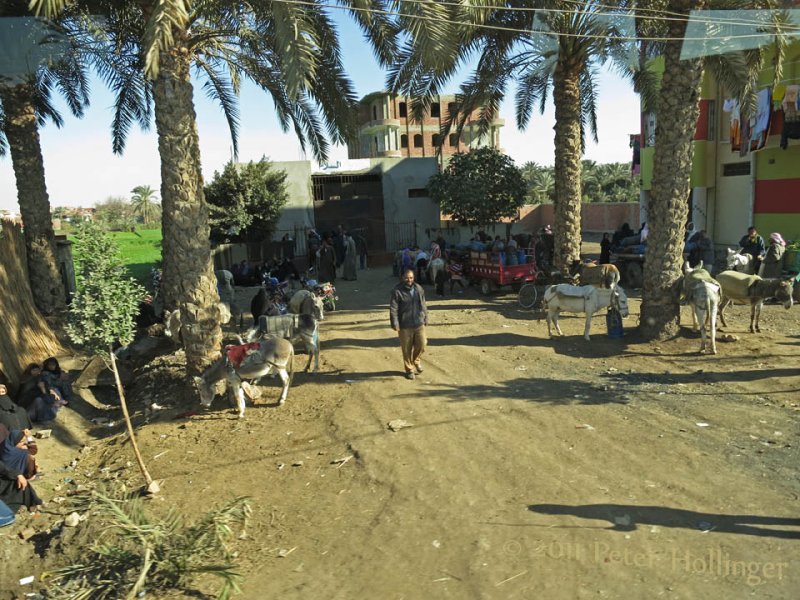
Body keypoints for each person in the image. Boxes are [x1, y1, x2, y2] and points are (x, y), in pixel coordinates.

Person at [389, 269, 428, 380]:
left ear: (413, 277)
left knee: (422, 344)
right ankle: (409, 369)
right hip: (404, 325)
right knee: (406, 349)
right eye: (406, 278)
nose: (409, 280)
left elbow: (423, 304)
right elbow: (393, 308)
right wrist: (395, 323)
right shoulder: (397, 291)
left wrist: (426, 316)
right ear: (402, 278)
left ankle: (416, 360)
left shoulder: (418, 288)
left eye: (411, 277)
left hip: (418, 323)